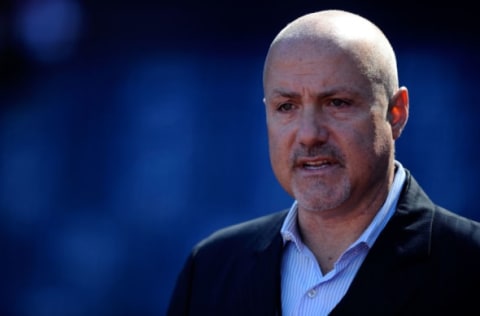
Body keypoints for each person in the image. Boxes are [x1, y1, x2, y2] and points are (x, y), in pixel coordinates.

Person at [167, 9, 480, 316]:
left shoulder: (469, 264)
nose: (308, 135)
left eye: (337, 103)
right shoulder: (210, 270)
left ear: (396, 113)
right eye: (286, 106)